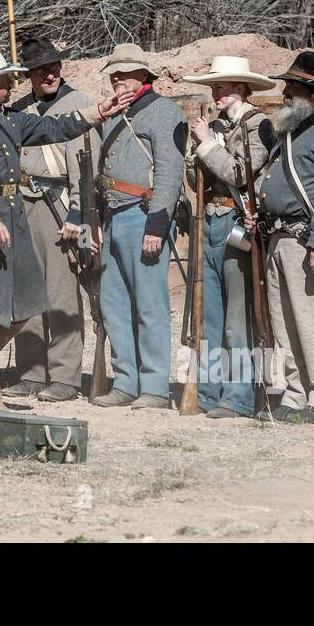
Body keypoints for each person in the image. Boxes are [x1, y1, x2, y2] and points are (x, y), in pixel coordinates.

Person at [0, 45, 132, 411]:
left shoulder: (8, 118)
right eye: (5, 77)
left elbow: (55, 127)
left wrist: (96, 113)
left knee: (24, 305)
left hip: (12, 220)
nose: (14, 81)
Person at [252, 51, 314, 423]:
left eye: (295, 87)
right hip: (276, 237)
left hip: (305, 242)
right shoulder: (288, 130)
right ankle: (294, 394)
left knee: (312, 322)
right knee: (284, 323)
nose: (285, 92)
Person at [92, 44, 187, 409]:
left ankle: (154, 387)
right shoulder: (114, 113)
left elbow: (169, 172)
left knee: (149, 305)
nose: (118, 79)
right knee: (115, 303)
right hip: (113, 214)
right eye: (114, 73)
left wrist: (157, 225)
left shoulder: (165, 112)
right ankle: (125, 381)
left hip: (144, 215)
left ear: (145, 76)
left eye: (126, 73)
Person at [183, 56, 276, 419]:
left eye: (221, 87)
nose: (215, 92)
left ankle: (237, 396)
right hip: (207, 221)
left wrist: (206, 145)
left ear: (240, 88)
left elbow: (239, 174)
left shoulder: (259, 125)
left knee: (237, 318)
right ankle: (207, 391)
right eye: (214, 86)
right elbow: (196, 184)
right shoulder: (216, 126)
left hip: (238, 223)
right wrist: (196, 154)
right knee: (208, 315)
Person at [1, 36, 94, 403]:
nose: (50, 74)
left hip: (62, 205)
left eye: (54, 67)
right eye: (41, 70)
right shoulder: (20, 110)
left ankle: (66, 377)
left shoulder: (80, 105)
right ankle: (31, 372)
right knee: (28, 293)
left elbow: (85, 168)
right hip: (23, 205)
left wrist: (79, 216)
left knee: (62, 295)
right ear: (29, 76)